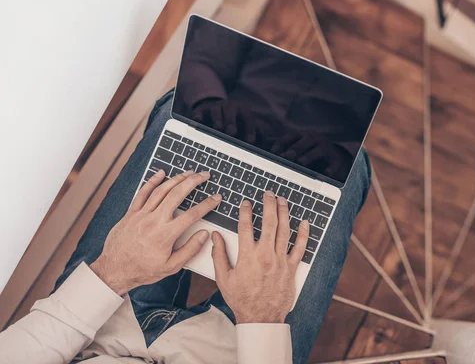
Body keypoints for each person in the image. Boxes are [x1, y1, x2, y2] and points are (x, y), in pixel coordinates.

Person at [0, 91, 371, 364]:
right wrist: (262, 318)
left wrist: (114, 269)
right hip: (236, 354)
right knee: (341, 169)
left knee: (187, 112)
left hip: (96, 337)